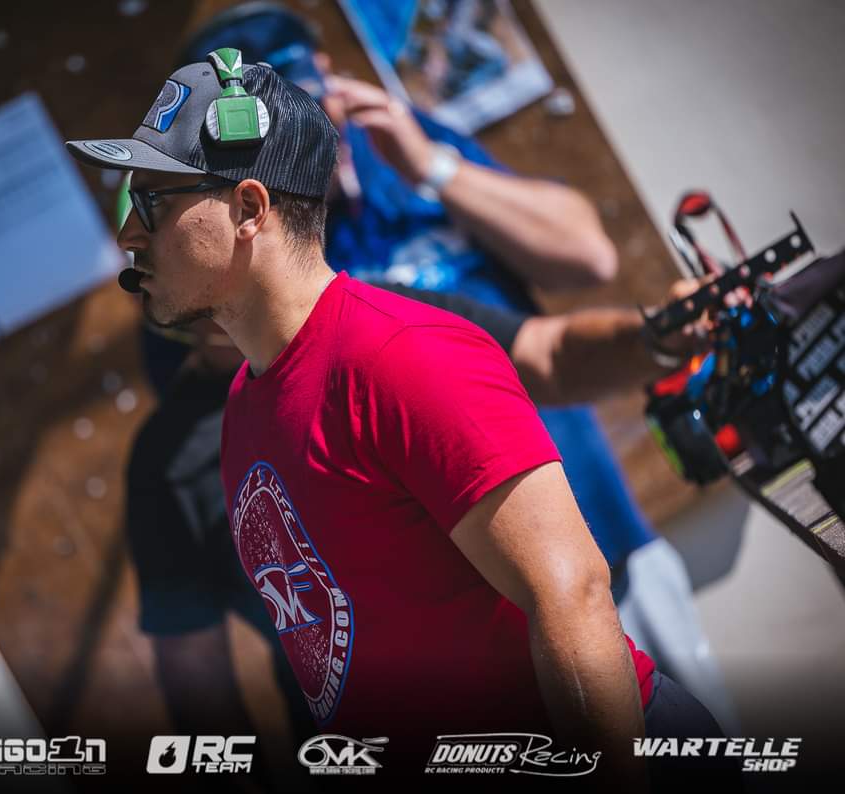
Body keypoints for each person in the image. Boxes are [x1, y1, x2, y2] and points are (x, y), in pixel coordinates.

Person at [68, 49, 736, 787]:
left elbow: (570, 593)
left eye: (154, 204)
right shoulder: (243, 411)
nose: (129, 236)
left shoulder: (403, 353)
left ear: (250, 210)